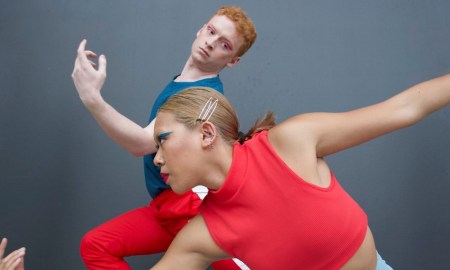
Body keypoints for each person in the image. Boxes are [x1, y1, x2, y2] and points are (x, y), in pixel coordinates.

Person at [149, 72, 450, 269]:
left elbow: (406, 107)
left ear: (206, 133)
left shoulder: (291, 141)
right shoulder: (203, 234)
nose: (157, 159)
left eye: (163, 142)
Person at [71, 6, 256, 270]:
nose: (210, 43)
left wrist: (92, 98)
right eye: (211, 31)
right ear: (201, 28)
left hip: (192, 208)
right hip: (164, 207)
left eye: (224, 44)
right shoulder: (181, 83)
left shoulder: (203, 95)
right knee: (96, 245)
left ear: (233, 60)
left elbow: (143, 143)